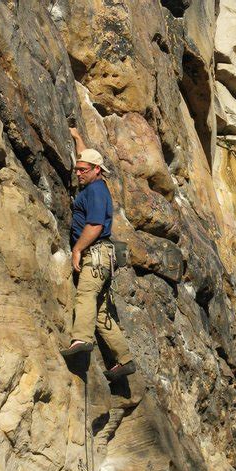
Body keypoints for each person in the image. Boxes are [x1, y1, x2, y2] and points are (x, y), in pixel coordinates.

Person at [61, 128, 136, 381]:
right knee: (101, 313)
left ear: (97, 170)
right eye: (77, 169)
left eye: (83, 170)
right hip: (105, 257)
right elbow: (85, 156)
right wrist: (77, 137)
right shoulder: (97, 184)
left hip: (95, 253)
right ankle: (124, 360)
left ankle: (80, 339)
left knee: (86, 295)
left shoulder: (94, 191)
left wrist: (77, 249)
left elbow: (93, 226)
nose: (78, 173)